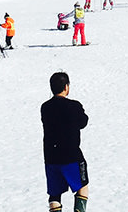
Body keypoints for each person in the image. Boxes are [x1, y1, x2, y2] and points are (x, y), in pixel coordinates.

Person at [42, 71, 90, 212]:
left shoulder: (45, 107)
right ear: (66, 87)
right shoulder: (74, 106)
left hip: (51, 157)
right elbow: (83, 122)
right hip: (71, 156)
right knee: (82, 186)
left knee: (54, 194)